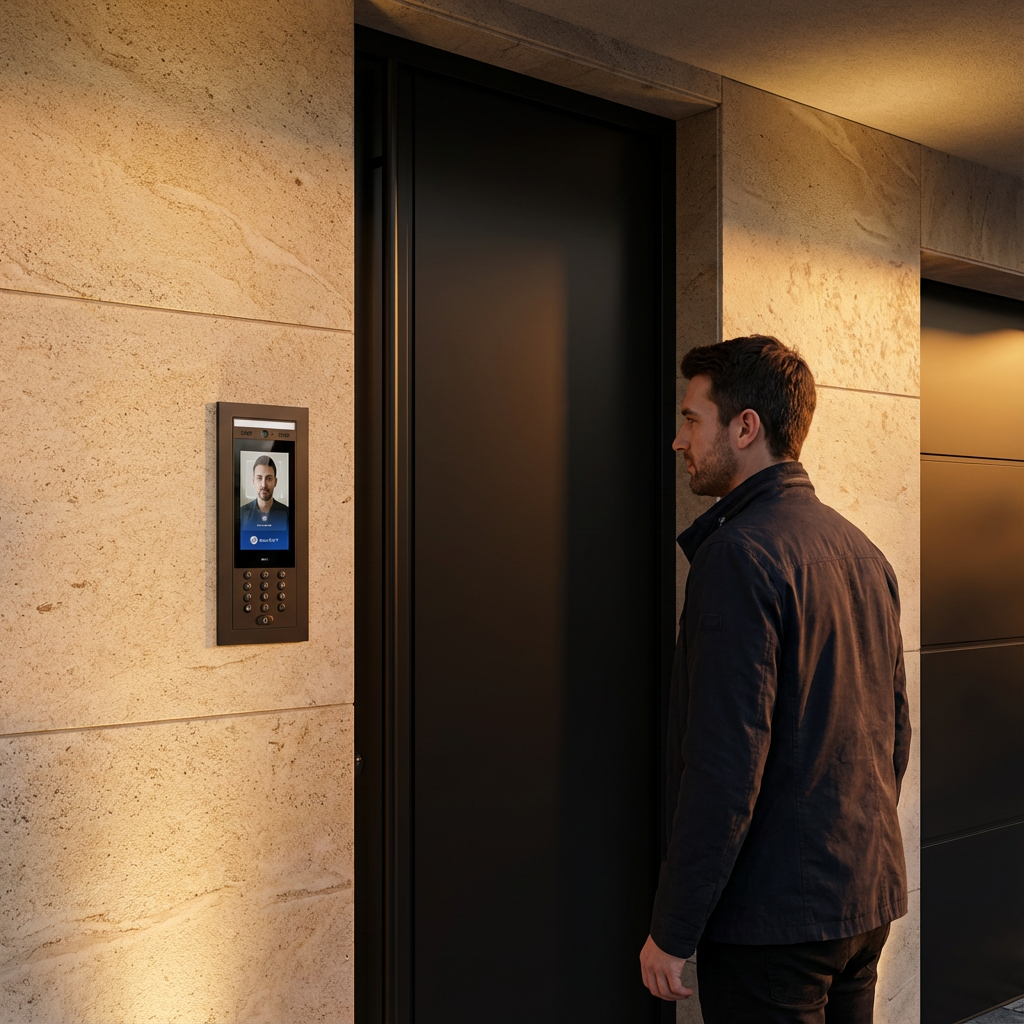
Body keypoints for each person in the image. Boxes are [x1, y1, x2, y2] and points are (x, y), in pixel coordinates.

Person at [639, 335, 910, 1024]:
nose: (679, 441)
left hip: (775, 925)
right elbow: (894, 732)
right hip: (859, 902)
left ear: (746, 427)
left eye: (691, 419)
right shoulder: (860, 549)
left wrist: (672, 932)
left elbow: (724, 769)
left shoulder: (738, 557)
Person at [240, 455, 289, 533]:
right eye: (259, 478)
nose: (263, 484)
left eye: (269, 478)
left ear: (275, 482)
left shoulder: (288, 513)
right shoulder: (241, 513)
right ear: (253, 481)